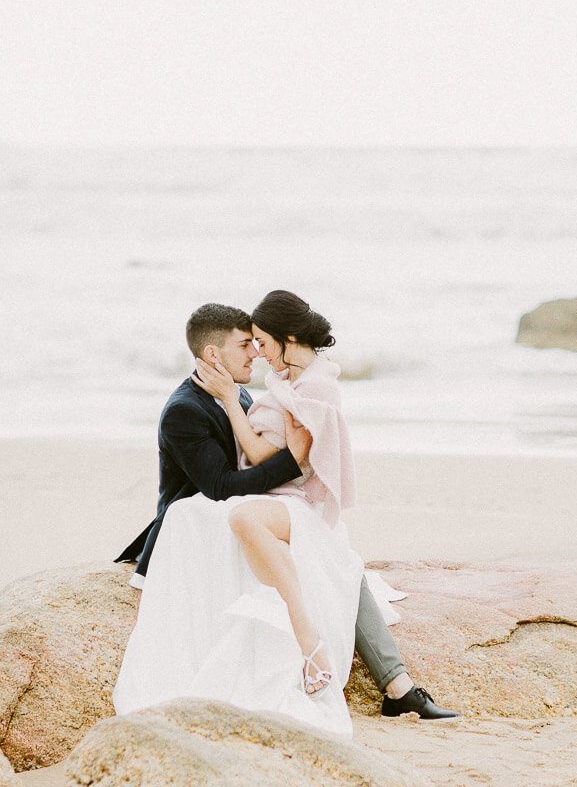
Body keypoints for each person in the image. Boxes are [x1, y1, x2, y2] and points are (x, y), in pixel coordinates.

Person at [114, 300, 458, 731]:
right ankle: (390, 681)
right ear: (214, 356)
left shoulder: (243, 391)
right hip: (201, 516)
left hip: (251, 503)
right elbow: (221, 485)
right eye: (247, 345)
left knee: (331, 558)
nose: (256, 354)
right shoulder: (185, 410)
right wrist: (292, 462)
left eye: (259, 343)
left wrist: (290, 460)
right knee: (327, 556)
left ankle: (394, 683)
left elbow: (259, 457)